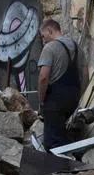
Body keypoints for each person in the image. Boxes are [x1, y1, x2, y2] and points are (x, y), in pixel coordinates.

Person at [37, 19, 87, 150]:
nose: (43, 41)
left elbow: (43, 78)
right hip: (73, 99)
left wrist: (41, 101)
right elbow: (85, 75)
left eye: (43, 36)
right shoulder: (78, 48)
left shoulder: (50, 48)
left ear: (50, 31)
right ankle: (72, 157)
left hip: (54, 101)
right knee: (62, 136)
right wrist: (78, 95)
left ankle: (60, 162)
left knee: (52, 144)